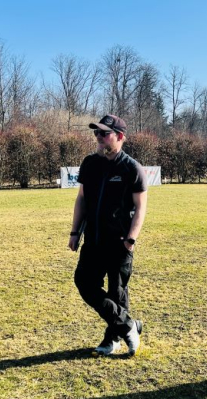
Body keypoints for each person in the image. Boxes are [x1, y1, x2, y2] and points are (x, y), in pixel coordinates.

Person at [69, 114, 148, 356]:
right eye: (96, 133)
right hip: (93, 240)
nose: (98, 137)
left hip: (119, 242)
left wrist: (130, 239)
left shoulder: (131, 168)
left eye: (104, 133)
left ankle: (112, 340)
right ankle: (129, 326)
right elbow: (82, 199)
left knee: (117, 292)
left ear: (120, 136)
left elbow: (141, 207)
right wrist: (75, 231)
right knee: (84, 283)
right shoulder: (90, 163)